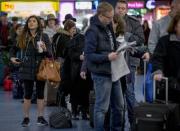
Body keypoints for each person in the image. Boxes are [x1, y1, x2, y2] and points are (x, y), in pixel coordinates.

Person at [85, 2, 124, 131]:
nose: (111, 20)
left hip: (113, 72)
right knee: (101, 108)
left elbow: (112, 46)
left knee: (118, 106)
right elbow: (89, 55)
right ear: (101, 16)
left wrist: (122, 48)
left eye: (112, 17)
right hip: (101, 74)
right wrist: (107, 57)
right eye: (109, 17)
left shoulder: (108, 27)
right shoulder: (92, 30)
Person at [10, 15, 51, 127]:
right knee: (27, 94)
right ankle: (26, 118)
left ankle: (40, 117)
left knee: (40, 94)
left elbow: (50, 54)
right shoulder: (23, 36)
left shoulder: (44, 36)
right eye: (29, 21)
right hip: (26, 68)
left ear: (38, 24)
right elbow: (13, 49)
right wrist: (12, 57)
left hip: (40, 69)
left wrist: (45, 49)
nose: (31, 23)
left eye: (34, 21)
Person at [115, 0, 145, 129]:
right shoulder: (110, 21)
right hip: (113, 61)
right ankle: (118, 124)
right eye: (119, 8)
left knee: (129, 92)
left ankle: (133, 123)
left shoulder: (134, 22)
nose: (121, 10)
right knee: (116, 94)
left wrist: (126, 36)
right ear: (115, 8)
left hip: (130, 61)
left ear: (126, 10)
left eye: (123, 8)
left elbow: (141, 40)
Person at [152, 12, 180, 103]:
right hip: (170, 84)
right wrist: (158, 71)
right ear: (175, 26)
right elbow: (157, 58)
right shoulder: (165, 41)